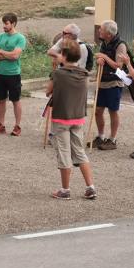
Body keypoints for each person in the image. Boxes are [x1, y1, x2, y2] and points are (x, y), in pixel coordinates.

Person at [46, 39, 97, 200]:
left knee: (64, 153)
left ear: (65, 55)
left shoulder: (58, 74)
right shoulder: (84, 74)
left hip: (62, 118)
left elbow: (49, 92)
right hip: (78, 117)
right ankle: (90, 186)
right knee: (79, 152)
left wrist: (54, 70)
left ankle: (65, 189)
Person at [92, 20, 128, 150]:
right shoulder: (104, 42)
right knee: (98, 111)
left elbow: (119, 65)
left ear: (108, 33)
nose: (99, 31)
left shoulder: (121, 45)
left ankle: (112, 140)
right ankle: (101, 137)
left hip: (114, 82)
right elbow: (101, 59)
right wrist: (99, 60)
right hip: (101, 81)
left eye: (101, 29)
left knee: (113, 111)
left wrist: (104, 57)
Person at [0, 13, 27, 136]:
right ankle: (1, 125)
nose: (4, 26)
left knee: (15, 100)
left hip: (13, 74)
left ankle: (17, 126)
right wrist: (7, 54)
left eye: (6, 23)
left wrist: (1, 52)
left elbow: (16, 55)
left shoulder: (20, 38)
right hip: (0, 73)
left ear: (13, 23)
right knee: (1, 100)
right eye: (3, 23)